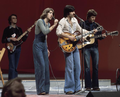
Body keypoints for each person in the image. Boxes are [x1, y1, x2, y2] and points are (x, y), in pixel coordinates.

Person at [56, 5, 97, 94]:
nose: (74, 13)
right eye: (72, 11)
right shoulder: (63, 21)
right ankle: (69, 88)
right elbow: (58, 32)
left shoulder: (75, 20)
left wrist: (90, 32)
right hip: (66, 45)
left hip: (74, 46)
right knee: (70, 67)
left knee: (78, 66)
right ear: (68, 12)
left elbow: (80, 30)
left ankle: (77, 87)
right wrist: (69, 36)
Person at [33, 8, 58, 95]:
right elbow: (45, 31)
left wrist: (47, 48)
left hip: (43, 45)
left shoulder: (49, 23)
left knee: (46, 68)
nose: (52, 15)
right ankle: (40, 89)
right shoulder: (40, 21)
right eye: (50, 13)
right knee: (41, 66)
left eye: (52, 13)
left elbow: (46, 37)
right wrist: (54, 25)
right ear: (45, 13)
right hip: (38, 45)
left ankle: (46, 89)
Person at [79, 9, 106, 91]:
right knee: (87, 67)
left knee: (95, 67)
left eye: (94, 17)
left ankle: (95, 86)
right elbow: (78, 33)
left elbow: (99, 37)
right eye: (92, 17)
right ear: (88, 17)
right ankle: (88, 86)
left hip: (94, 47)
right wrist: (83, 37)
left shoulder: (97, 25)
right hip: (86, 47)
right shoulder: (82, 24)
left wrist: (103, 36)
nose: (94, 19)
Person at [1, 14, 31, 80]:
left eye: (16, 18)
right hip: (11, 48)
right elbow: (3, 40)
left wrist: (27, 33)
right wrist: (10, 38)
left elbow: (24, 39)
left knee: (15, 67)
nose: (15, 19)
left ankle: (14, 81)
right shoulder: (7, 29)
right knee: (12, 66)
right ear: (10, 20)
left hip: (18, 48)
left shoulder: (19, 29)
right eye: (13, 18)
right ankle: (11, 82)